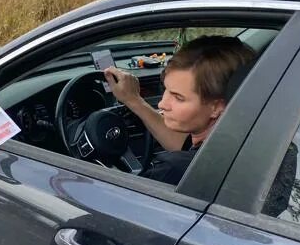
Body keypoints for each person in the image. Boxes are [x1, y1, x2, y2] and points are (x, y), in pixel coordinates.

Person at [105, 35, 255, 185]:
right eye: (166, 90)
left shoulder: (175, 171)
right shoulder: (245, 143)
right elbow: (182, 144)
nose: (162, 104)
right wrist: (133, 100)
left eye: (178, 98)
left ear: (217, 107)